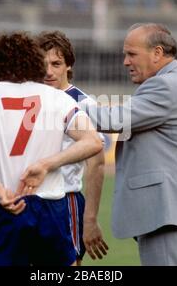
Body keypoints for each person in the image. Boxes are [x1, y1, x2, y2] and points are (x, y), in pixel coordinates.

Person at [65, 23, 177, 265]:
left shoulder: (166, 85)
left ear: (157, 53)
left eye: (132, 54)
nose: (126, 62)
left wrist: (61, 101)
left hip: (172, 214)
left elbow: (113, 120)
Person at [0, 31, 103, 266]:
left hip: (8, 204)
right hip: (53, 207)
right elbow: (93, 142)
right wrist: (46, 164)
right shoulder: (58, 99)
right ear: (33, 60)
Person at [36, 31, 109, 265]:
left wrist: (90, 219)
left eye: (56, 64)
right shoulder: (26, 99)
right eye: (43, 63)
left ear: (68, 65)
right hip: (26, 200)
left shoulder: (84, 104)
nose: (48, 71)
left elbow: (96, 163)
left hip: (64, 201)